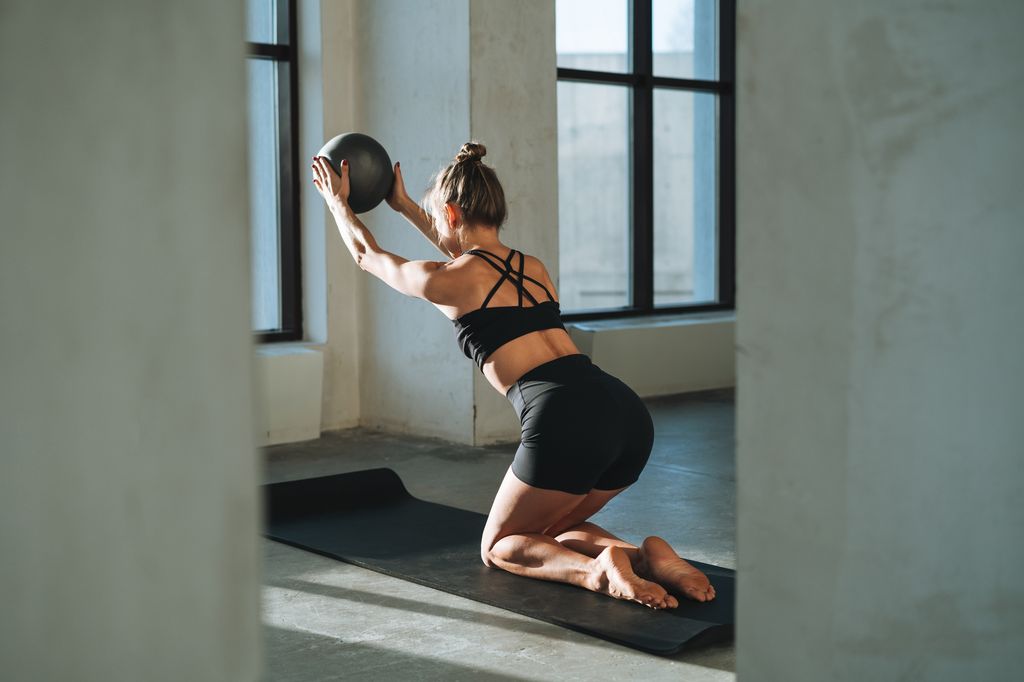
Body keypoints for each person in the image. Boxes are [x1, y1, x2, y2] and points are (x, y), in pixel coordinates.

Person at [310, 142, 715, 609]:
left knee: (500, 545)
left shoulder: (450, 279)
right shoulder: (533, 268)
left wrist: (337, 203)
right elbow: (465, 252)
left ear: (450, 213)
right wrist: (403, 206)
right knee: (550, 529)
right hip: (624, 412)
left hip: (563, 415)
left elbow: (367, 254)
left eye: (438, 217)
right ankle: (648, 558)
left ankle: (598, 572)